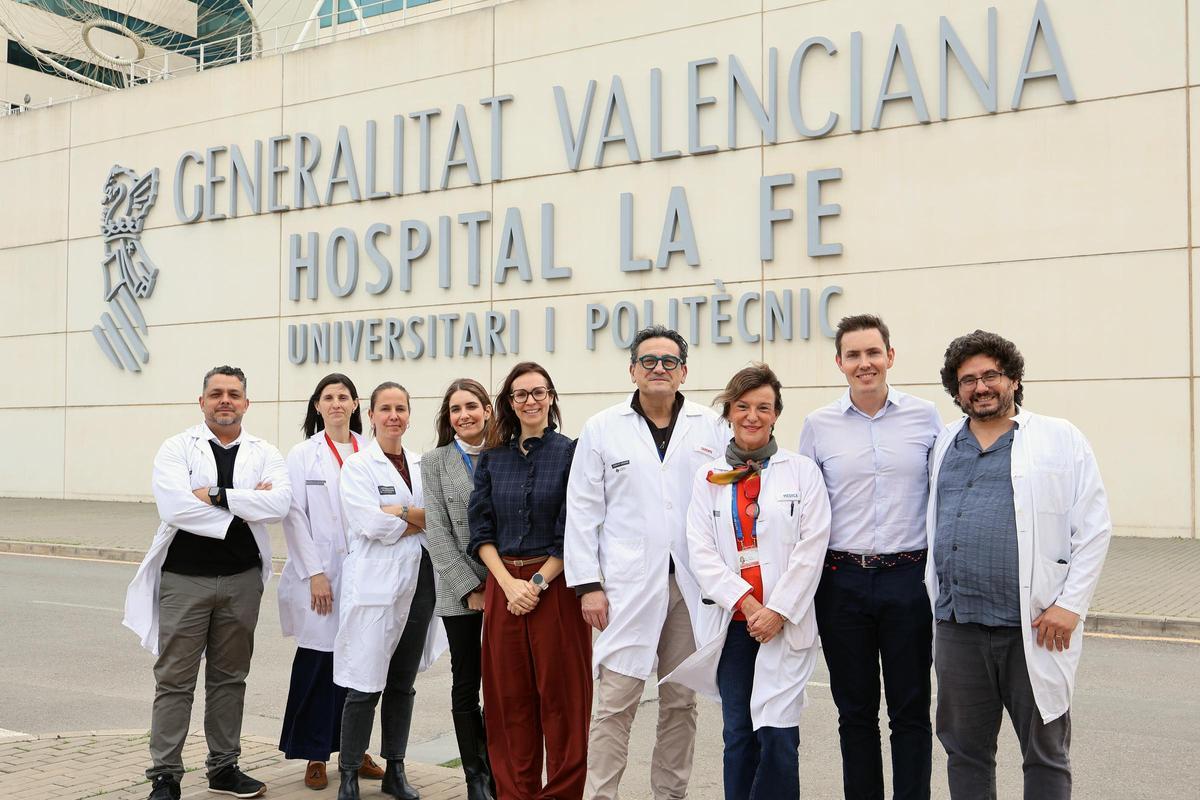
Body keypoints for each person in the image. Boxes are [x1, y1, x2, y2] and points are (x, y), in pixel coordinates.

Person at [927, 330, 1111, 800]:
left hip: (1034, 625)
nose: (980, 387)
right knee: (965, 752)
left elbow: (1093, 528)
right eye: (967, 380)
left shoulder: (1058, 437)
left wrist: (1071, 606)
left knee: (1045, 752)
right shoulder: (945, 443)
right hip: (958, 625)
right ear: (956, 390)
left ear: (1012, 378)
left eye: (991, 375)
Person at [565, 325, 728, 800]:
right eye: (649, 361)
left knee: (680, 703)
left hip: (691, 588)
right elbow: (582, 511)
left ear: (684, 372)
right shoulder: (602, 427)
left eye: (669, 361)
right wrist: (588, 585)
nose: (659, 369)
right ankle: (601, 796)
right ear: (633, 369)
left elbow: (725, 501)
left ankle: (669, 795)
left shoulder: (711, 427)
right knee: (614, 704)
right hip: (624, 588)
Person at [123, 365, 292, 800]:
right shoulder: (178, 447)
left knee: (229, 678)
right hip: (184, 580)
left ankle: (223, 767)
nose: (225, 401)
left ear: (246, 403)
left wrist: (216, 496)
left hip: (241, 582)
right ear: (202, 401)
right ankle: (165, 775)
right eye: (216, 393)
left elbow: (280, 503)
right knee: (175, 680)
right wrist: (246, 504)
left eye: (234, 394)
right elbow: (175, 507)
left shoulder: (265, 451)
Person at [665, 363, 830, 800]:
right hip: (735, 626)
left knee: (777, 734)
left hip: (785, 623)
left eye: (763, 407)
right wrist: (748, 605)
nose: (752, 416)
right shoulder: (710, 477)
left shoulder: (802, 472)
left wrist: (776, 610)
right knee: (738, 734)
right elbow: (700, 550)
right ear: (729, 412)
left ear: (776, 413)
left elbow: (812, 548)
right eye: (743, 406)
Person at [797, 314, 942, 800]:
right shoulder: (818, 426)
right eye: (854, 355)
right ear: (839, 363)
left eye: (873, 353)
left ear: (890, 356)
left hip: (909, 579)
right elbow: (804, 508)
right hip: (842, 583)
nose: (865, 363)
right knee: (855, 713)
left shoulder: (926, 417)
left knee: (911, 711)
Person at [468, 362, 591, 800]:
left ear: (552, 398)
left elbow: (574, 527)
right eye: (520, 395)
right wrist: (507, 583)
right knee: (508, 704)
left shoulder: (572, 452)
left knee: (563, 703)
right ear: (509, 403)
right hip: (505, 589)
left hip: (554, 587)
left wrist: (535, 583)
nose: (530, 401)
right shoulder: (492, 458)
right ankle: (515, 794)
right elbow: (480, 529)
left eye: (538, 392)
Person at [334, 382, 444, 800]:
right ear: (373, 414)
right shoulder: (358, 466)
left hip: (421, 584)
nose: (394, 415)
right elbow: (370, 525)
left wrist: (397, 512)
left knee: (402, 683)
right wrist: (412, 517)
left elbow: (439, 518)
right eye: (385, 408)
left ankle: (395, 771)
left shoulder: (423, 463)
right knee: (364, 683)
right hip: (376, 590)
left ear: (409, 414)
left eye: (401, 408)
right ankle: (348, 772)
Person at [277, 373, 385, 789]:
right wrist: (315, 574)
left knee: (359, 665)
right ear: (318, 406)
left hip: (365, 574)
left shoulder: (370, 451)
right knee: (318, 664)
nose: (337, 403)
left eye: (344, 397)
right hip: (320, 576)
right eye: (328, 397)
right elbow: (294, 516)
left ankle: (354, 753)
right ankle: (314, 754)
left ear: (356, 405)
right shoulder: (303, 454)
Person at [420, 378, 496, 800]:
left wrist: (500, 585)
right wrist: (470, 589)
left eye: (471, 405)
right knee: (467, 682)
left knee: (504, 686)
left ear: (487, 409)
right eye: (455, 409)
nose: (464, 414)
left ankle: (502, 769)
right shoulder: (435, 462)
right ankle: (476, 778)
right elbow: (439, 533)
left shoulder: (506, 454)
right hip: (459, 590)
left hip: (507, 587)